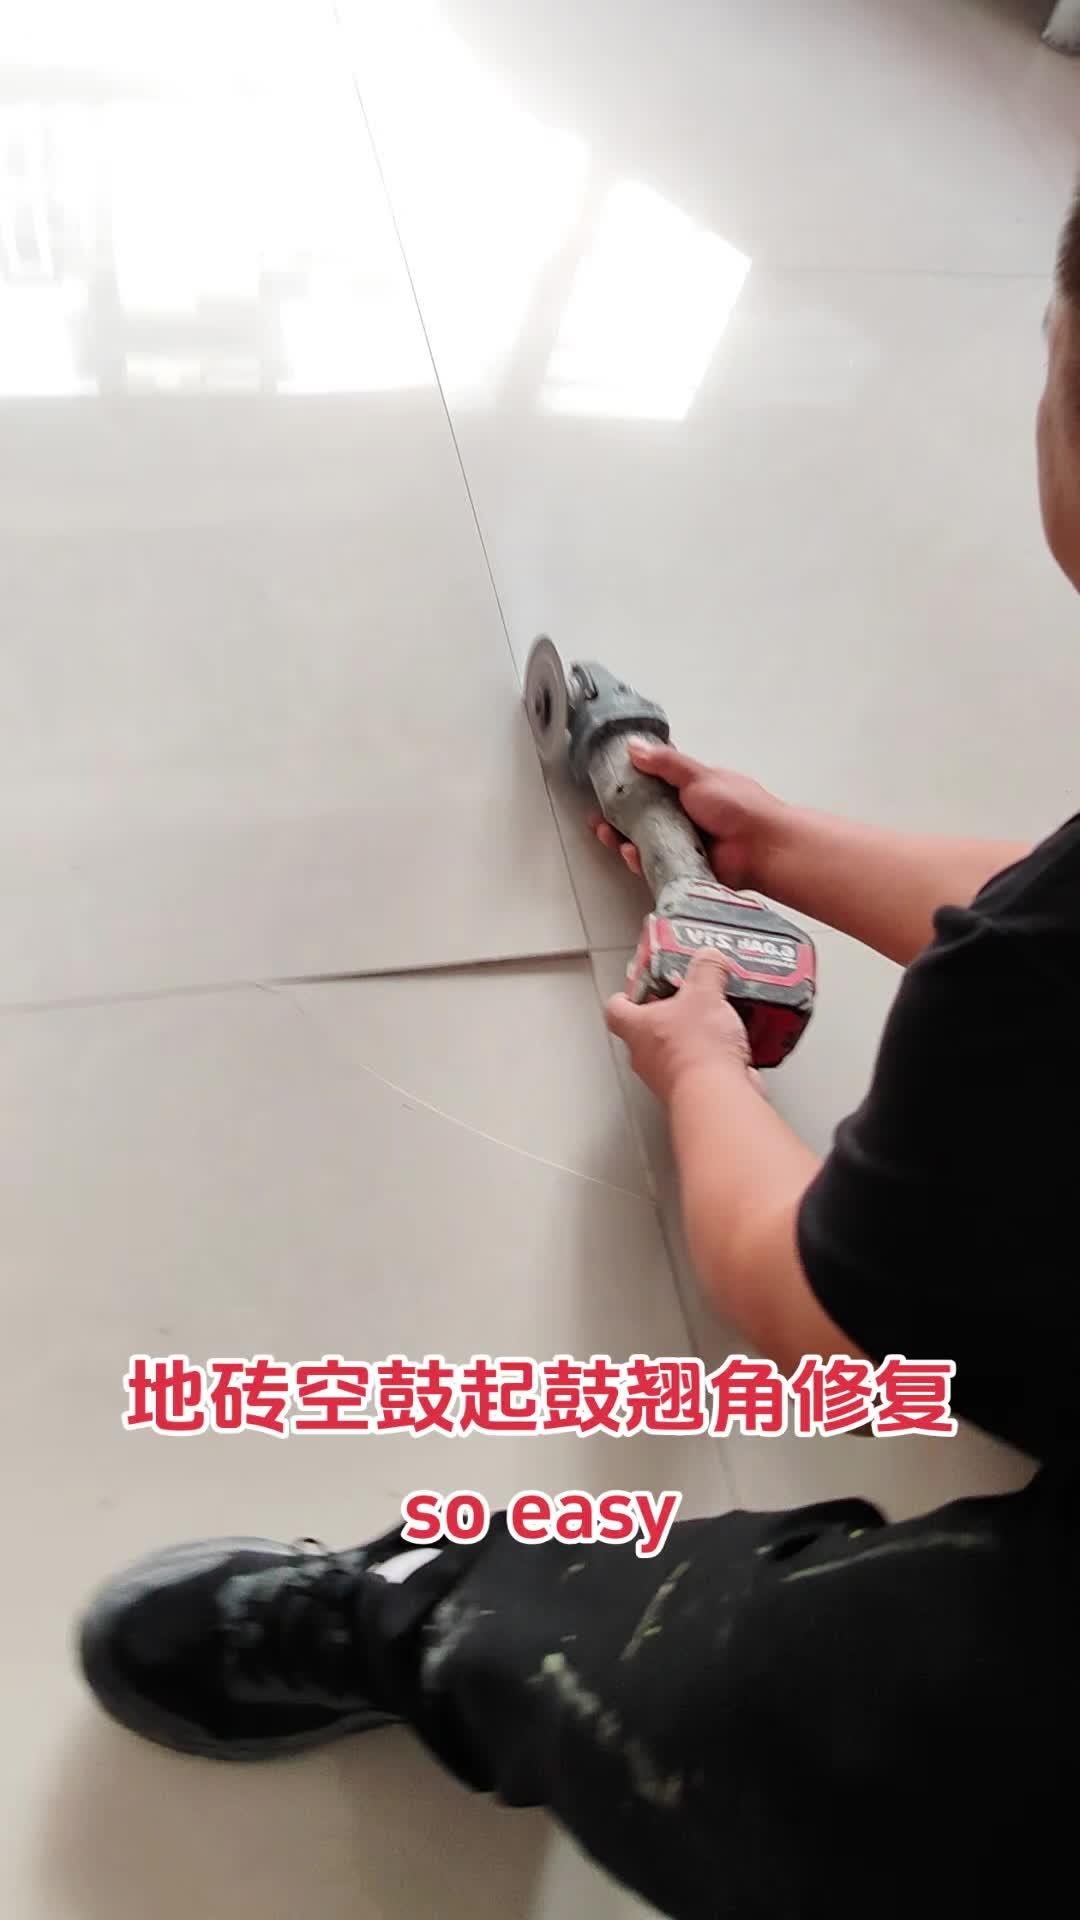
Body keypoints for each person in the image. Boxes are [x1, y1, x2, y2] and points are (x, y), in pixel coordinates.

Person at [75, 189, 1080, 1919]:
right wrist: (785, 848)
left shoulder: (1032, 1013)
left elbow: (814, 1306)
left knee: (821, 1723)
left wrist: (703, 1073)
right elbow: (1043, 908)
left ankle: (442, 1610)